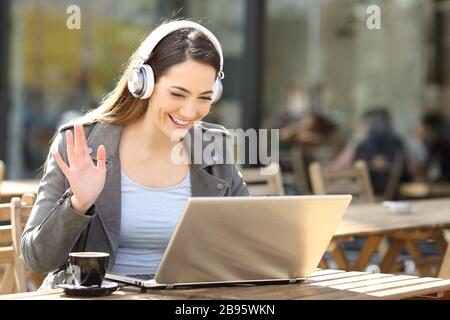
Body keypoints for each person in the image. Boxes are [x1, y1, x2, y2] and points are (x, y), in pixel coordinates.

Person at [21, 20, 249, 289]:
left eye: (204, 97)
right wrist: (77, 205)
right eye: (178, 94)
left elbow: (247, 240)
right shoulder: (81, 143)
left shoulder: (214, 147)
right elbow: (37, 260)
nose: (190, 112)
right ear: (144, 83)